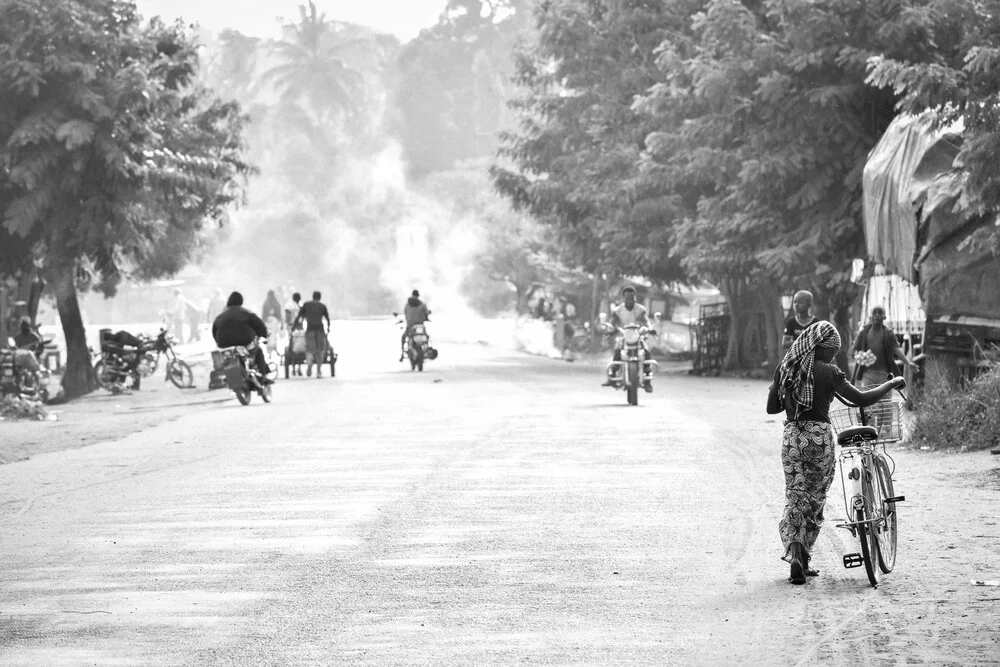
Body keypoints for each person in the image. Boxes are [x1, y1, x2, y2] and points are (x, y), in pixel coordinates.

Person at [767, 320, 905, 585]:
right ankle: (804, 557)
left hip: (793, 438)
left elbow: (772, 408)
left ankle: (796, 554)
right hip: (819, 438)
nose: (835, 354)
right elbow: (861, 399)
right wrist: (892, 383)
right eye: (834, 349)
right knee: (815, 497)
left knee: (796, 495)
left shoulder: (786, 369)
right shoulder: (830, 372)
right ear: (824, 349)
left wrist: (781, 386)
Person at [211, 291, 272, 383]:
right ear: (241, 301)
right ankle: (263, 377)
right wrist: (264, 334)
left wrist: (219, 342)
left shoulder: (221, 316)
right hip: (244, 342)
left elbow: (214, 330)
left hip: (224, 344)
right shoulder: (246, 312)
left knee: (227, 360)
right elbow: (259, 325)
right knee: (258, 351)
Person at [602, 285, 653, 391]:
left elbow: (646, 321)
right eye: (627, 298)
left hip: (637, 335)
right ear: (623, 298)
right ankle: (613, 374)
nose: (630, 300)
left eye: (632, 297)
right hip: (623, 336)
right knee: (617, 350)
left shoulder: (640, 309)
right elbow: (612, 322)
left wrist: (649, 328)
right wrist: (610, 330)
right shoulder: (617, 310)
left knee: (646, 351)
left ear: (635, 297)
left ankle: (648, 380)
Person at [851, 306, 917, 387]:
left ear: (884, 317)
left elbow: (896, 349)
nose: (877, 315)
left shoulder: (888, 334)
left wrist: (908, 363)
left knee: (884, 399)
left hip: (884, 374)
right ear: (870, 317)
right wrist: (859, 356)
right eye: (874, 313)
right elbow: (854, 349)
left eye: (880, 313)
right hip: (867, 373)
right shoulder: (863, 333)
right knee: (868, 398)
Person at [294, 291, 331, 378]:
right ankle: (318, 371)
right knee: (320, 350)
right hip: (320, 330)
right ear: (320, 297)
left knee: (310, 349)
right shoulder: (322, 306)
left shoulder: (306, 305)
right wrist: (328, 327)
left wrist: (294, 326)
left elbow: (299, 316)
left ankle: (310, 364)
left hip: (310, 330)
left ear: (313, 296)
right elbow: (327, 318)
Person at [400, 289, 431, 362]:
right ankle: (427, 349)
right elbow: (426, 313)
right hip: (420, 325)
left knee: (403, 338)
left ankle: (402, 354)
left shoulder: (407, 305)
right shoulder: (422, 305)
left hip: (410, 326)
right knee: (426, 336)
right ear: (418, 296)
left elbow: (406, 314)